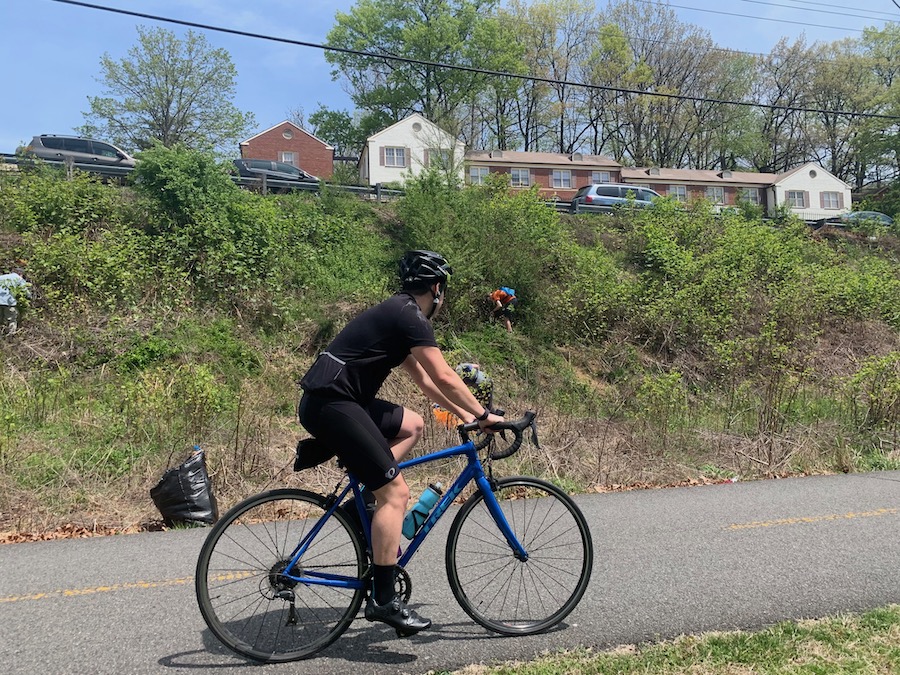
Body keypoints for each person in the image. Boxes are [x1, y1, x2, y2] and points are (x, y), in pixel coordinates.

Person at [297, 250, 503, 635]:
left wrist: (463, 417)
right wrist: (483, 415)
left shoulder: (398, 315)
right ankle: (384, 601)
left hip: (334, 402)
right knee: (396, 494)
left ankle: (369, 495)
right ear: (437, 289)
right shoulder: (410, 317)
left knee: (412, 424)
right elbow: (443, 375)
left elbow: (426, 383)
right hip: (332, 404)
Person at [432, 363, 494, 429]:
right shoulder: (461, 366)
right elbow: (476, 366)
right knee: (488, 404)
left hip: (480, 386)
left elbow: (461, 390)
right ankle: (493, 419)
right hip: (487, 379)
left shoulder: (457, 377)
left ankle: (482, 424)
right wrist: (477, 375)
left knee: (475, 406)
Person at [0, 269, 30, 335]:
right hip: (8, 302)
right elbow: (25, 291)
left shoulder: (1, 277)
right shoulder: (19, 278)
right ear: (21, 274)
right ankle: (11, 336)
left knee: (1, 320)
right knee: (12, 319)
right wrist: (30, 297)